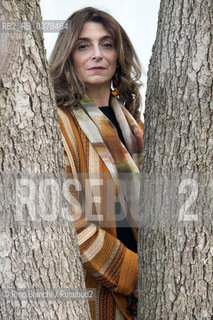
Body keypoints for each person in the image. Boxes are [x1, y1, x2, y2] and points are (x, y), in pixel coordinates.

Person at [49, 7, 143, 320]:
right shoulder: (58, 124)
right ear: (68, 55)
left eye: (106, 44)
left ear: (118, 53)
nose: (97, 55)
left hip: (151, 299)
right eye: (83, 46)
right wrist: (138, 275)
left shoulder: (134, 126)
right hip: (98, 294)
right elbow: (68, 220)